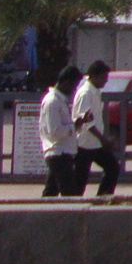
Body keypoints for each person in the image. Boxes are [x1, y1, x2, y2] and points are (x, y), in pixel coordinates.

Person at [73, 61, 120, 197]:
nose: (106, 81)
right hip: (84, 144)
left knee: (113, 168)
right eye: (104, 77)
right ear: (94, 76)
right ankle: (74, 208)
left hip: (95, 144)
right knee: (80, 180)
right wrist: (103, 139)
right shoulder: (85, 93)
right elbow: (86, 122)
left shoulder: (94, 92)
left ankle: (103, 198)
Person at [39, 65, 83, 197]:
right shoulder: (52, 101)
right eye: (74, 86)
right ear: (65, 82)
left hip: (63, 152)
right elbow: (55, 131)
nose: (74, 90)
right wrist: (72, 127)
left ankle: (43, 216)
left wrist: (76, 124)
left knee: (50, 193)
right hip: (58, 153)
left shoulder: (60, 101)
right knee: (69, 193)